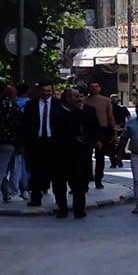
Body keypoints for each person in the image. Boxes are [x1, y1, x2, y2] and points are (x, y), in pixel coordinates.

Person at [50, 88, 101, 219]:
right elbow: (54, 133)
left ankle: (79, 209)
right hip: (59, 154)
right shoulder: (55, 113)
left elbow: (92, 129)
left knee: (79, 183)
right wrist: (71, 138)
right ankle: (62, 208)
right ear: (67, 99)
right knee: (59, 184)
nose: (80, 99)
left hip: (78, 154)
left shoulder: (82, 113)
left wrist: (91, 141)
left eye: (80, 96)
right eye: (76, 97)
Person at [21, 81, 57, 207]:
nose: (46, 94)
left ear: (52, 91)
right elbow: (25, 124)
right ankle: (36, 198)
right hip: (36, 142)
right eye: (43, 91)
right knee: (35, 170)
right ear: (38, 91)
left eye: (48, 91)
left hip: (53, 142)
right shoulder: (31, 104)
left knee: (55, 171)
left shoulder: (58, 104)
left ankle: (59, 198)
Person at [84, 81, 115, 189]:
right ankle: (87, 177)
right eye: (91, 86)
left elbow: (110, 116)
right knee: (86, 156)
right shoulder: (84, 100)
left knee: (100, 157)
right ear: (88, 88)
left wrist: (114, 132)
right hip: (88, 130)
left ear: (99, 88)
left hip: (102, 130)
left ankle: (98, 180)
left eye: (96, 86)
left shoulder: (106, 100)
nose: (94, 88)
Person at [110, 94, 129, 168]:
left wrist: (127, 127)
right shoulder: (108, 109)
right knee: (112, 147)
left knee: (120, 146)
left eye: (116, 99)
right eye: (113, 99)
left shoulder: (123, 109)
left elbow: (129, 118)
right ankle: (114, 161)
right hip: (111, 130)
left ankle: (118, 158)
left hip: (121, 130)